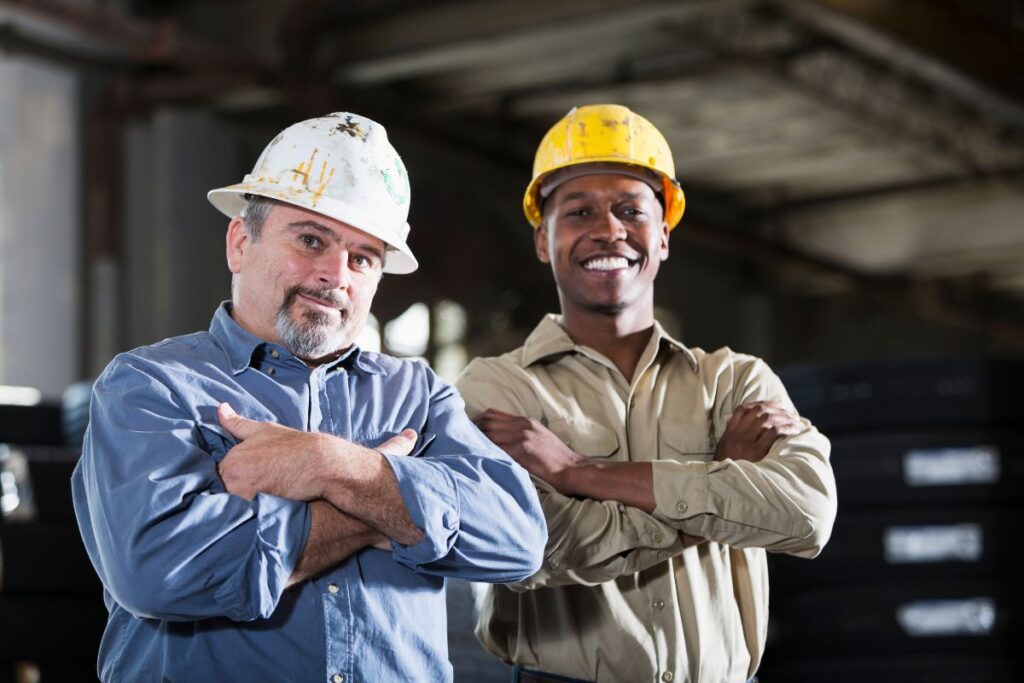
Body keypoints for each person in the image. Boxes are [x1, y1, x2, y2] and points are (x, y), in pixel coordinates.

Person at [72, 112, 546, 683]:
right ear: (241, 242)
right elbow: (160, 572)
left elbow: (517, 539)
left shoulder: (416, 394)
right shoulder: (152, 385)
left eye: (362, 258)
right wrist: (384, 506)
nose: (335, 275)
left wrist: (328, 466)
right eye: (311, 240)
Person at [455, 104, 838, 683]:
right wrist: (717, 483)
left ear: (662, 236)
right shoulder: (495, 388)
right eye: (579, 211)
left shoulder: (736, 380)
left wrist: (583, 474)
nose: (608, 230)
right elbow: (539, 548)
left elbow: (806, 512)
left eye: (631, 211)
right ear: (543, 240)